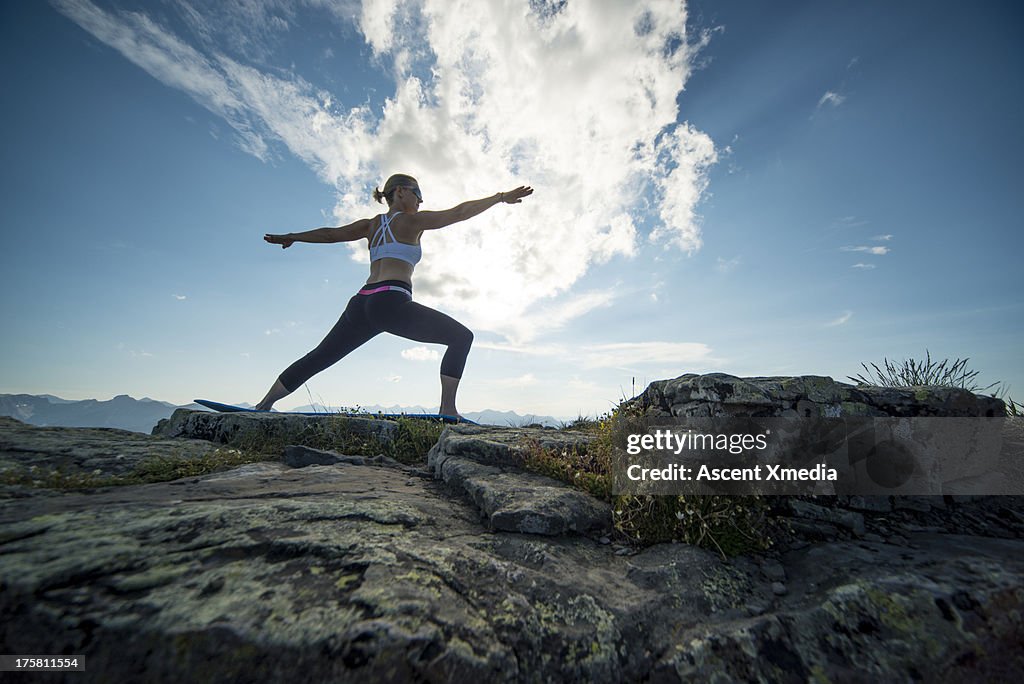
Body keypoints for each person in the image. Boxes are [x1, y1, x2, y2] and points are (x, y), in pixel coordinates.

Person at [255, 174, 533, 420]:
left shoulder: (370, 225)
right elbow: (459, 212)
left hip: (361, 302)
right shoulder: (413, 222)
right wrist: (499, 198)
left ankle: (264, 404)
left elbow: (330, 235)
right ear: (400, 191)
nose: (421, 202)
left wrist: (292, 236)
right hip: (390, 301)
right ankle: (448, 410)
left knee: (321, 356)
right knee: (461, 337)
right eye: (418, 194)